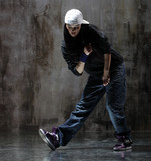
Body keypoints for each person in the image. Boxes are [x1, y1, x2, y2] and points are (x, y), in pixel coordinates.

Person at [39, 9, 132, 151]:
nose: (73, 30)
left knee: (113, 106)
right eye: (70, 27)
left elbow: (107, 50)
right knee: (83, 108)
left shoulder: (91, 32)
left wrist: (106, 73)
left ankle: (124, 139)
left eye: (76, 27)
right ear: (66, 26)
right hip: (96, 75)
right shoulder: (66, 47)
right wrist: (83, 56)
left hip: (113, 68)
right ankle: (58, 137)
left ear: (81, 26)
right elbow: (77, 71)